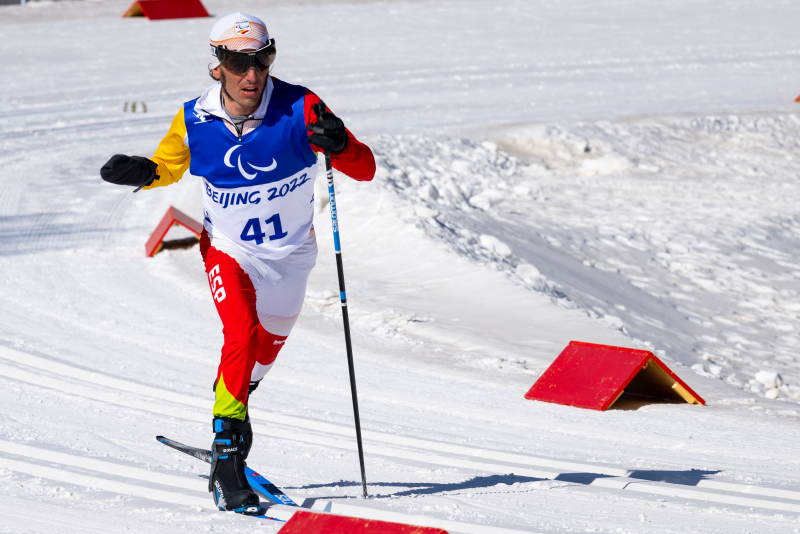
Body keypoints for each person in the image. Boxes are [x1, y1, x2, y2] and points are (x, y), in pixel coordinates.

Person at [100, 12, 375, 514]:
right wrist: (143, 171)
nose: (252, 74)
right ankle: (228, 456)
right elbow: (168, 165)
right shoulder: (193, 117)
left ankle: (233, 400)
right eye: (238, 62)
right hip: (230, 251)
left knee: (256, 365)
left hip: (292, 257)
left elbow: (365, 167)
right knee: (241, 334)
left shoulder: (302, 106)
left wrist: (343, 145)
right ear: (217, 65)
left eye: (262, 60)